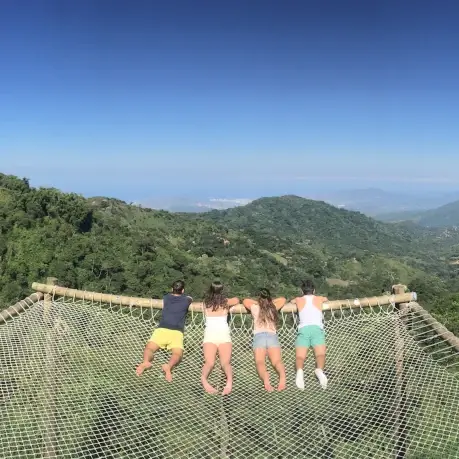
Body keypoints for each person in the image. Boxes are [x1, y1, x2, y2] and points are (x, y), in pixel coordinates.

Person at [136, 280, 192, 382]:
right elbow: (190, 298)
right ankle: (169, 366)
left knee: (149, 348)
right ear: (183, 290)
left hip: (162, 329)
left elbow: (169, 297)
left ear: (172, 289)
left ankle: (146, 361)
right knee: (177, 354)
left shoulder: (166, 297)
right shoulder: (186, 300)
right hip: (176, 332)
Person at [243, 289, 287, 392]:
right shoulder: (273, 307)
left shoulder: (255, 308)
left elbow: (245, 301)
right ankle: (282, 377)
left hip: (259, 337)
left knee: (260, 362)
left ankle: (266, 380)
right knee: (277, 361)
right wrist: (269, 302)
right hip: (272, 336)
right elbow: (283, 299)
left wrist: (258, 302)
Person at [201, 281, 239, 395]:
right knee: (225, 363)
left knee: (209, 363)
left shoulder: (205, 303)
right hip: (223, 334)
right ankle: (229, 382)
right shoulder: (226, 302)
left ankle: (204, 379)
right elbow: (237, 300)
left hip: (210, 335)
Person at [292, 280, 328, 390]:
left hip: (303, 329)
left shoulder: (298, 300)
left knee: (300, 356)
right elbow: (326, 299)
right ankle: (319, 370)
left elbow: (292, 301)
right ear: (314, 290)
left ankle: (299, 371)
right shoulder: (319, 299)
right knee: (320, 355)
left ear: (302, 291)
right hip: (317, 329)